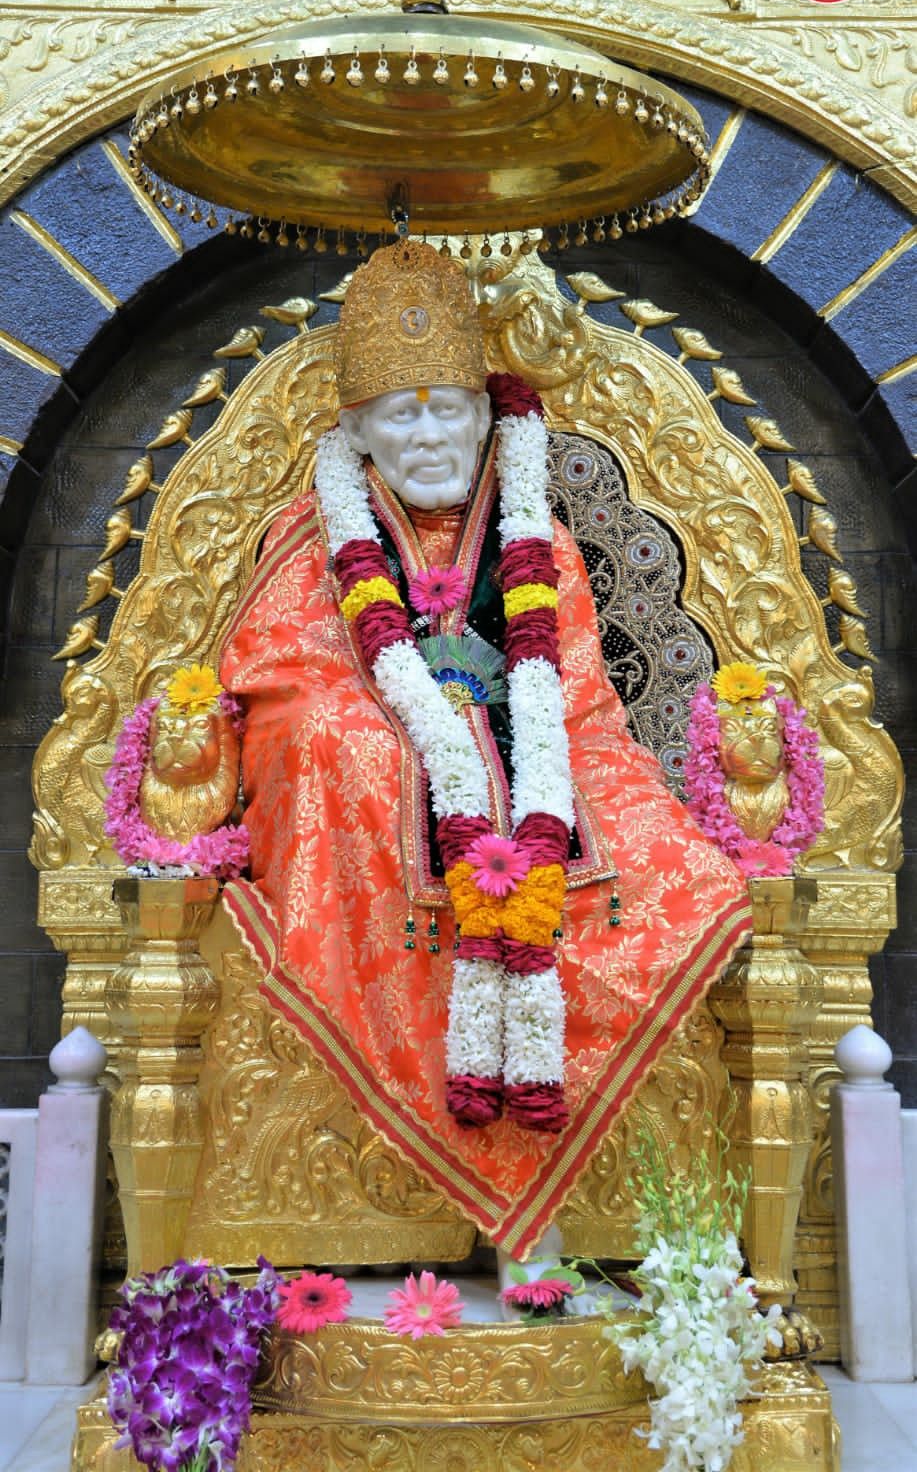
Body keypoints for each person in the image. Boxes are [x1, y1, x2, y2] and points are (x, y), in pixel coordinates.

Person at [219, 241, 750, 1257]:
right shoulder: (315, 532)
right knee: (335, 746)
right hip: (386, 783)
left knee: (681, 870)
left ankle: (588, 1183)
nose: (427, 437)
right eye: (401, 414)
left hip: (543, 762)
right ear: (362, 433)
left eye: (446, 409)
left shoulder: (530, 536)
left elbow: (582, 697)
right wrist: (428, 747)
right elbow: (283, 681)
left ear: (485, 415)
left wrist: (512, 752)